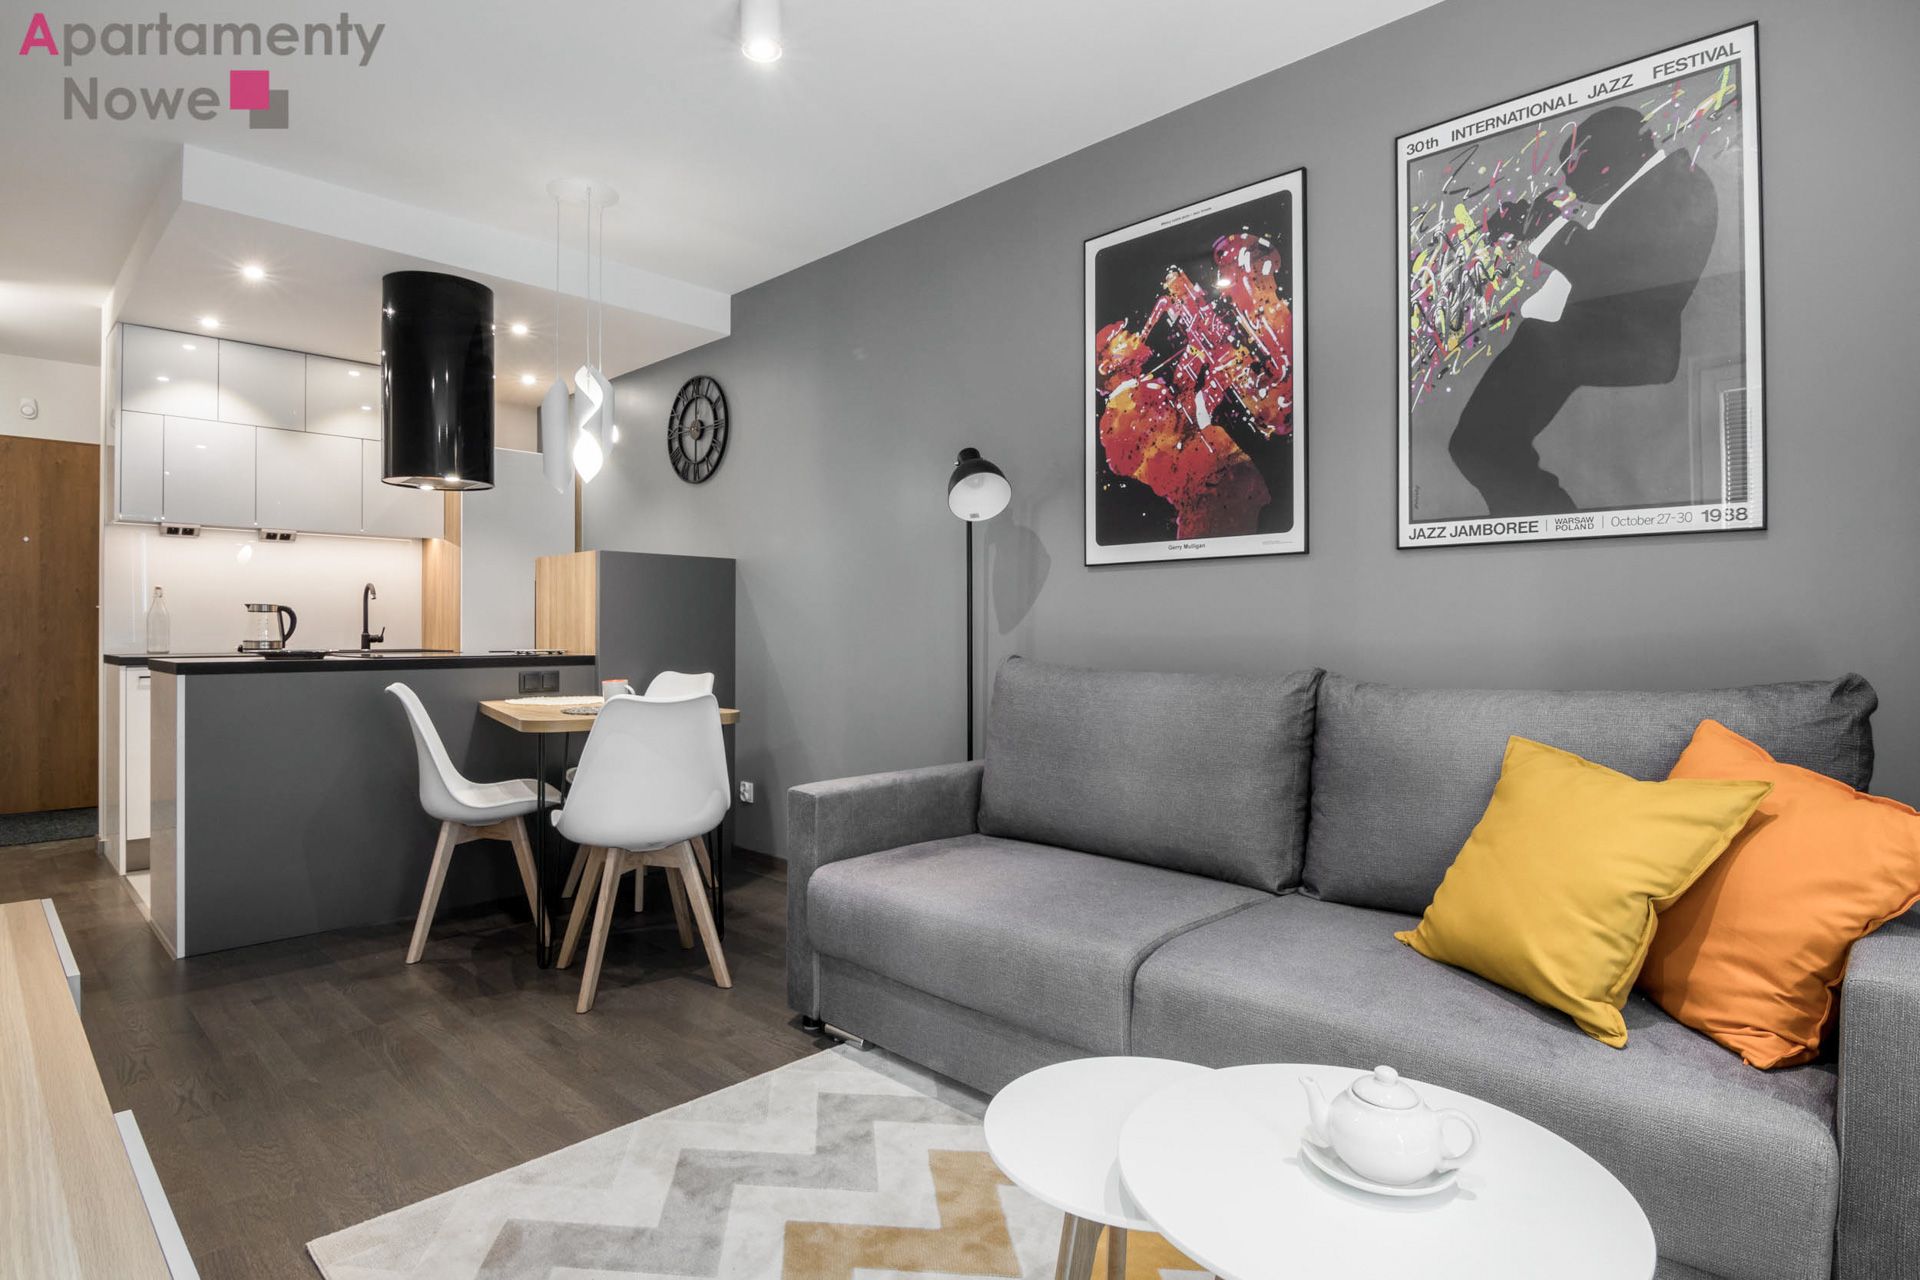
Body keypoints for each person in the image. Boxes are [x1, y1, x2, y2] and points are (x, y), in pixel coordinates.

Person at [1448, 105, 1718, 515]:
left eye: (1575, 164)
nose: (1569, 180)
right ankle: (1547, 524)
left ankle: (1548, 524)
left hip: (1622, 343)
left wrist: (1543, 226)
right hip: (1583, 336)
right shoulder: (1657, 186)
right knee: (1479, 445)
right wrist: (1536, 227)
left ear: (1612, 150)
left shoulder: (1680, 184)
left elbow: (1617, 270)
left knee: (1480, 444)